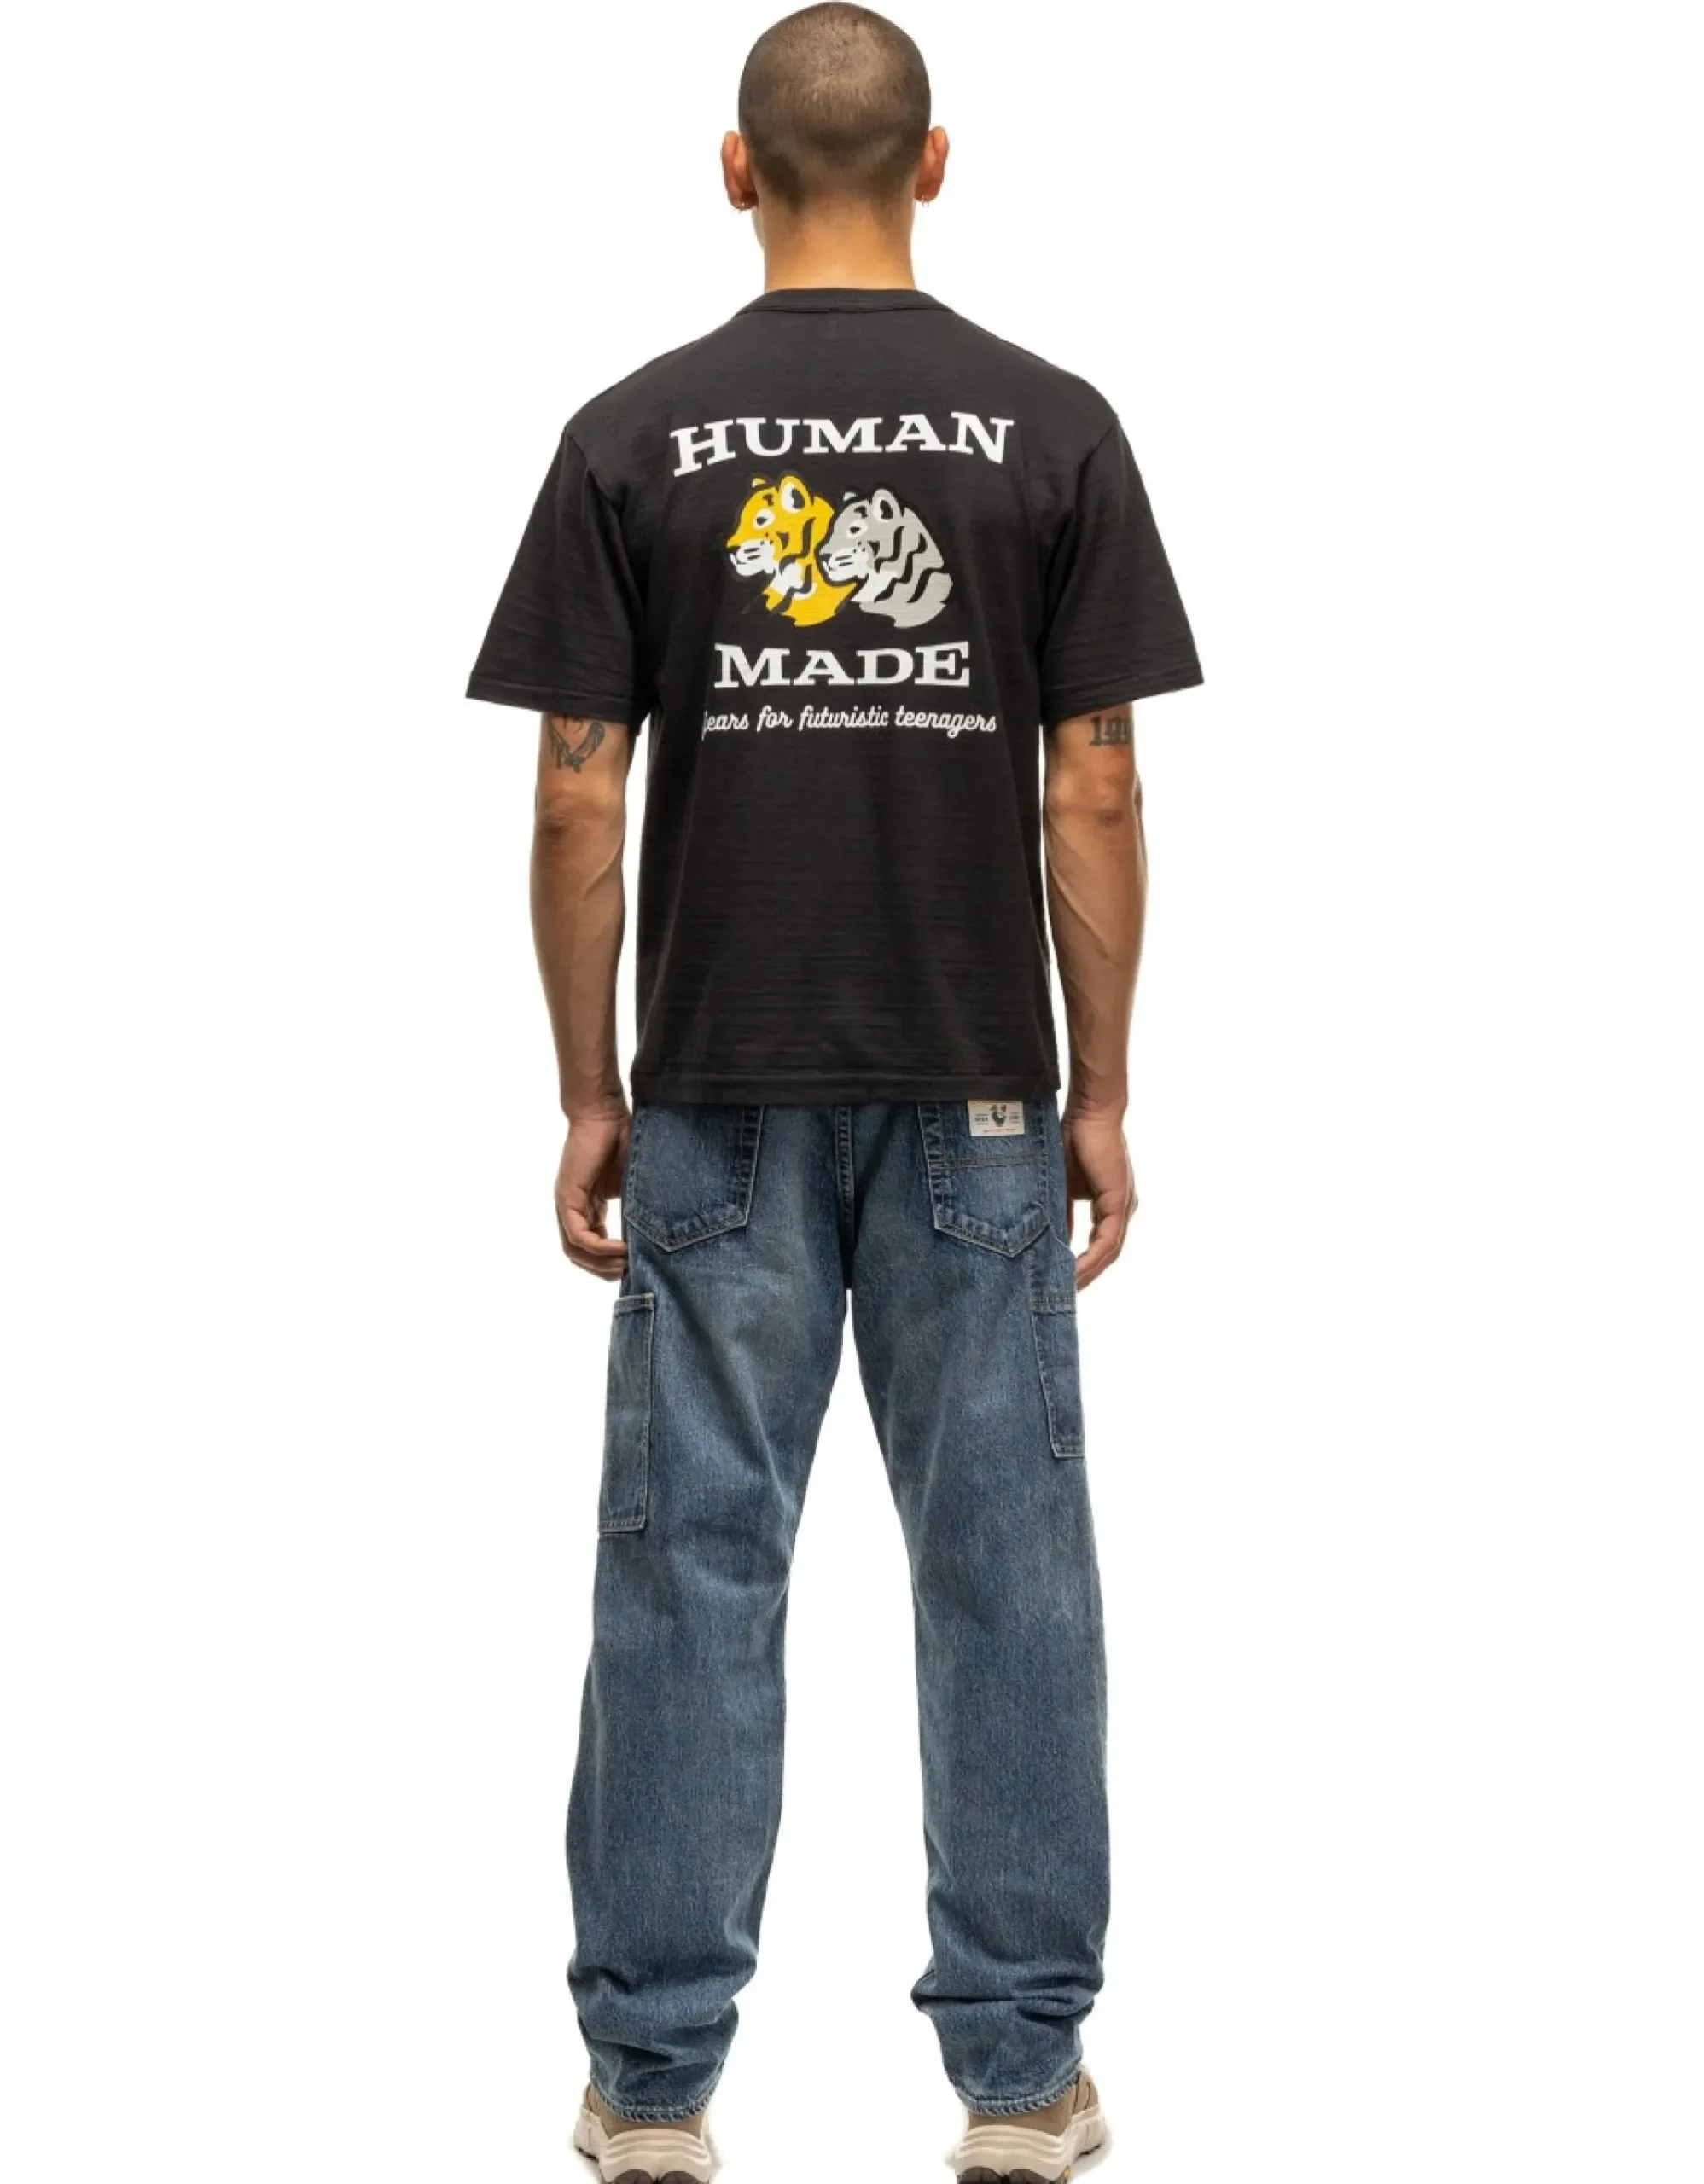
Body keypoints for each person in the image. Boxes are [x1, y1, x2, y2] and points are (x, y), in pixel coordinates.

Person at [464, 8, 1202, 2178]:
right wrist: (1101, 1084)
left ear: (735, 168)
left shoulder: (629, 434)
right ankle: (1018, 2085)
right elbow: (1095, 787)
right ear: (936, 162)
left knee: (689, 1569)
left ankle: (653, 2094)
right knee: (1008, 1573)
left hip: (716, 1083)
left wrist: (585, 1085)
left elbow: (576, 800)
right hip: (977, 1081)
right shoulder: (1054, 427)